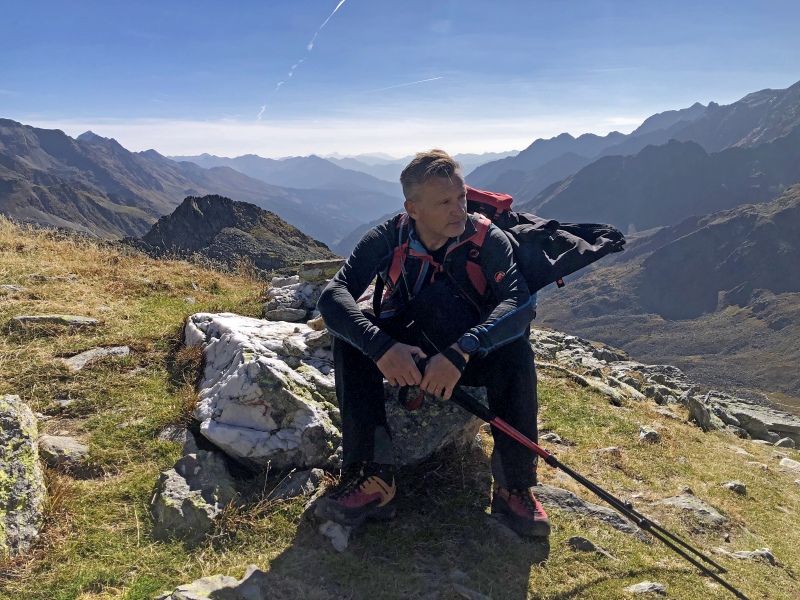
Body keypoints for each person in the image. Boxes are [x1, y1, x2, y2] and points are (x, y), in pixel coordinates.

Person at [315, 149, 549, 538]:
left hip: (466, 354)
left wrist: (462, 350)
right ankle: (373, 478)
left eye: (461, 196)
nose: (459, 209)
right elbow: (333, 297)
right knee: (352, 341)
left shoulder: (487, 238)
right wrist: (381, 348)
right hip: (409, 350)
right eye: (444, 202)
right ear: (414, 209)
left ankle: (514, 485)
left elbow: (520, 304)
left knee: (515, 351)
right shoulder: (387, 237)